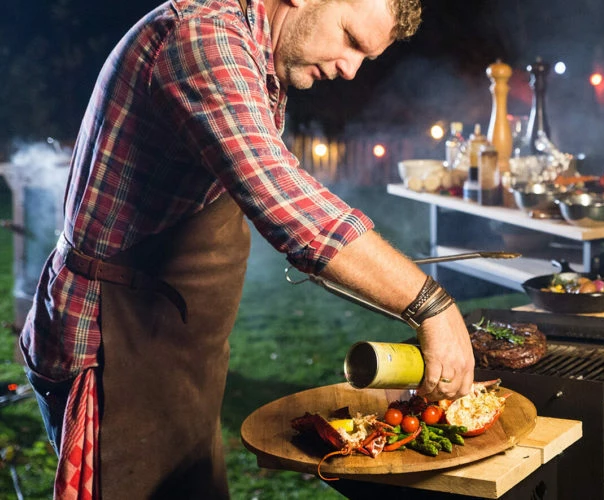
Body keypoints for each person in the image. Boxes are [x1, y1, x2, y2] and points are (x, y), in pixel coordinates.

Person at [18, 0, 476, 497]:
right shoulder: (203, 39)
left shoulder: (257, 57)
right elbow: (286, 200)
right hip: (112, 348)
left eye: (365, 56)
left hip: (173, 354)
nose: (350, 69)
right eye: (349, 38)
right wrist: (433, 307)